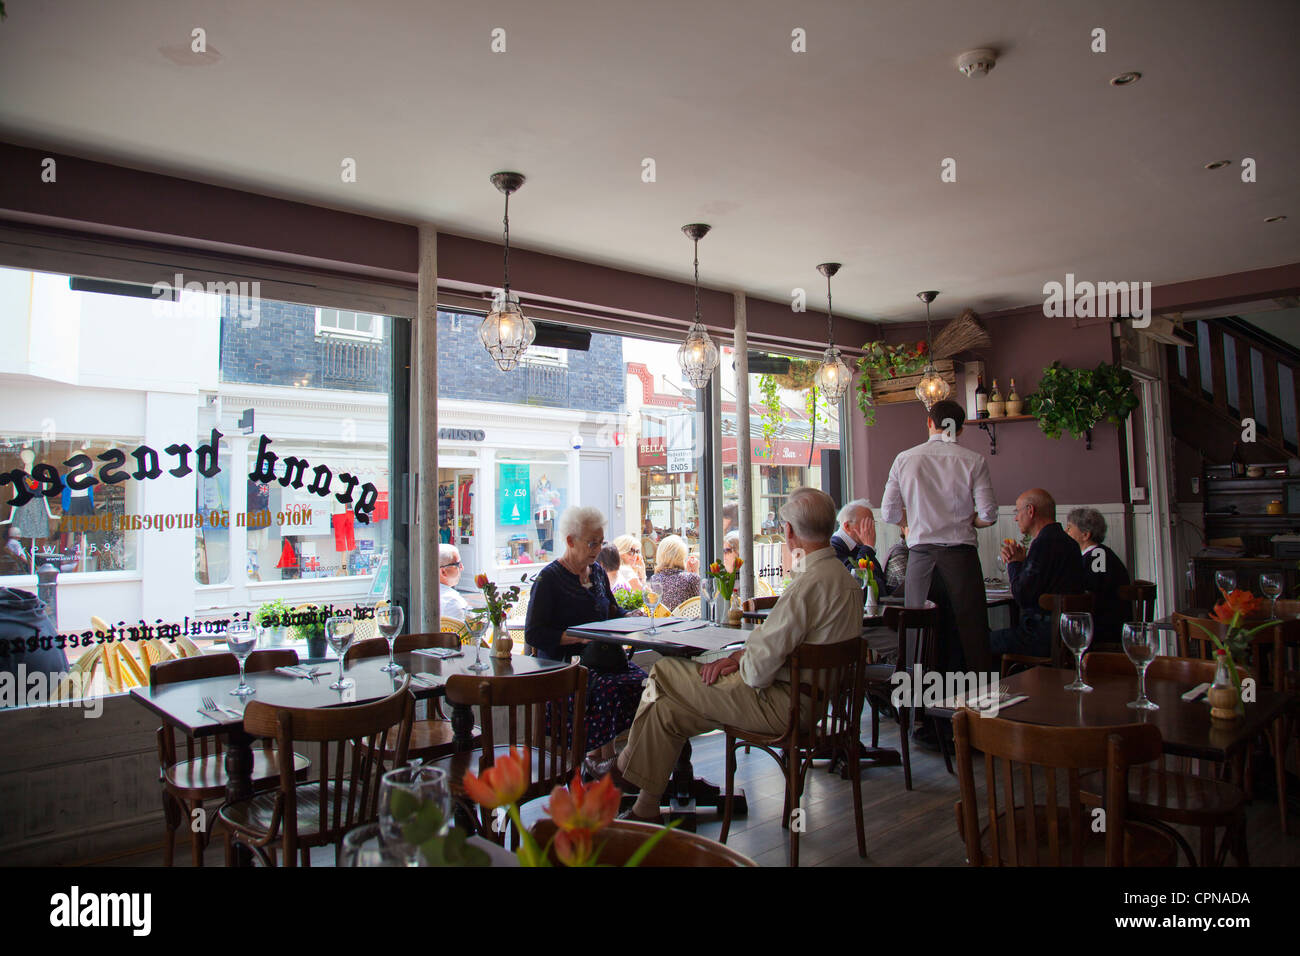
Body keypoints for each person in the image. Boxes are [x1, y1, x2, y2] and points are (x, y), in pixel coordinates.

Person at [615, 488, 864, 821]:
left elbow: (757, 674)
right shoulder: (845, 582)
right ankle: (646, 807)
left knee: (662, 672)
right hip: (814, 704)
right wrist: (743, 654)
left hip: (782, 707)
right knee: (668, 710)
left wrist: (742, 660)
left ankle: (621, 766)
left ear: (789, 532)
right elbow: (792, 648)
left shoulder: (807, 586)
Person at [524, 506, 648, 772]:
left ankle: (609, 761)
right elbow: (534, 634)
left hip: (603, 661)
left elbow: (612, 611)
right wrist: (579, 639)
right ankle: (602, 760)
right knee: (609, 691)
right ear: (570, 541)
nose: (597, 550)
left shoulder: (598, 573)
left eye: (600, 543)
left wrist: (630, 615)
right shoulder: (549, 579)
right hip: (563, 668)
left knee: (646, 685)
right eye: (592, 543)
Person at [880, 399, 997, 674]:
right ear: (960, 429)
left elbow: (888, 512)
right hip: (962, 559)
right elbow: (989, 514)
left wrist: (913, 522)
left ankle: (919, 711)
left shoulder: (905, 459)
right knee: (970, 634)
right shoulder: (974, 460)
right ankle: (976, 708)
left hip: (920, 559)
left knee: (919, 636)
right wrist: (973, 521)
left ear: (929, 423)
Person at [991, 489, 1087, 658]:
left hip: (1041, 637)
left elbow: (1022, 595)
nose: (1015, 518)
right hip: (1069, 633)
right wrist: (1022, 562)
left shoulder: (1043, 544)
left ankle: (994, 685)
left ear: (1030, 510)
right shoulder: (1070, 543)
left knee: (976, 642)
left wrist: (1013, 563)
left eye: (1017, 511)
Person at [1064, 506, 1131, 648]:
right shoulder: (1095, 554)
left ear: (1085, 535)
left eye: (1069, 528)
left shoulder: (1098, 555)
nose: (1066, 532)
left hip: (1104, 628)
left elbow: (1092, 589)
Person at [831, 499, 885, 585]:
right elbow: (860, 582)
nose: (871, 529)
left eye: (872, 524)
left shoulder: (858, 546)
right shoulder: (834, 548)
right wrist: (868, 547)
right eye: (866, 524)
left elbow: (880, 581)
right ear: (847, 526)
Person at [646, 534, 700, 612]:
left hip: (663, 622)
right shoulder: (691, 578)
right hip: (687, 622)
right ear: (682, 556)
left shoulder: (655, 579)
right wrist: (695, 573)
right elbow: (701, 605)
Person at [438, 544, 470, 621]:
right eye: (457, 564)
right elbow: (473, 629)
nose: (462, 568)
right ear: (443, 571)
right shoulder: (452, 601)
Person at [882, 521, 910, 598]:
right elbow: (911, 586)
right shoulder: (899, 553)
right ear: (903, 529)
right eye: (912, 528)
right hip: (897, 606)